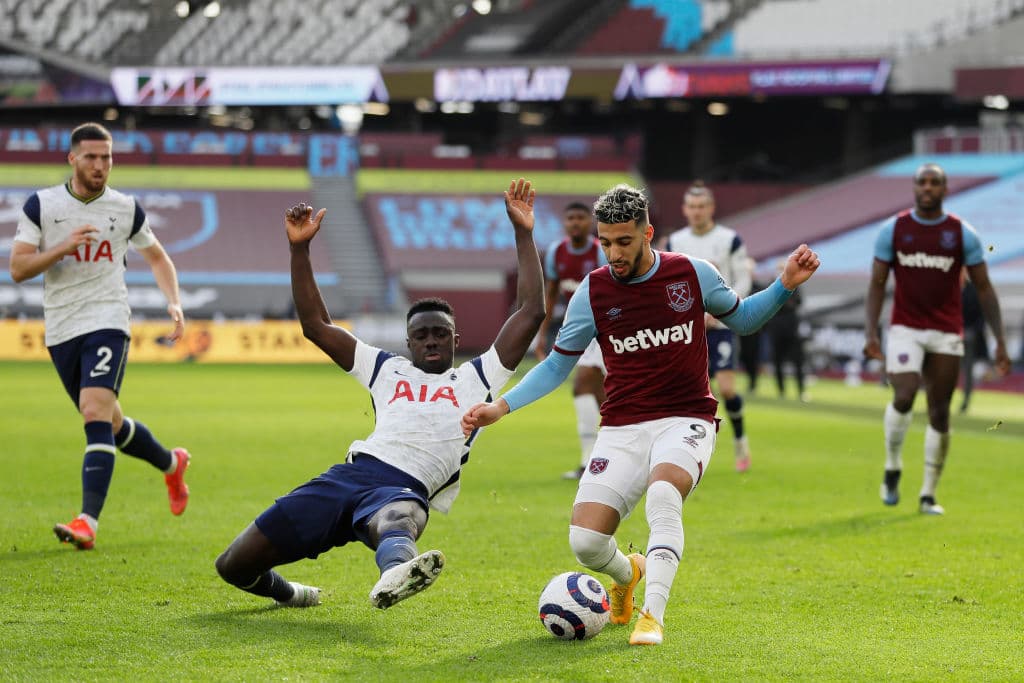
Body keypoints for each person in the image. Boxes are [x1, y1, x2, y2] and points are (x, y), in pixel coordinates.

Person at [461, 184, 821, 646]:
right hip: (622, 425)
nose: (613, 252)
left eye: (624, 242)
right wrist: (499, 407)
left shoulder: (692, 273)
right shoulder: (592, 291)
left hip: (686, 418)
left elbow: (745, 320)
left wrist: (784, 284)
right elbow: (556, 365)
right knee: (585, 543)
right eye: (605, 242)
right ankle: (629, 571)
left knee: (663, 496)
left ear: (648, 233)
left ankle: (653, 615)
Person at [214, 179, 544, 610]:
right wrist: (299, 251)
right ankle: (294, 594)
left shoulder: (478, 377)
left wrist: (523, 232)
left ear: (454, 338)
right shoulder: (386, 369)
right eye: (420, 335)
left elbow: (531, 311)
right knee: (234, 565)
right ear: (408, 343)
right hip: (349, 476)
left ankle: (395, 573)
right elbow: (316, 326)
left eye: (440, 334)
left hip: (405, 487)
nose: (430, 341)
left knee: (398, 521)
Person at [8, 122, 190, 550]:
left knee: (93, 412)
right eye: (90, 157)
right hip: (61, 327)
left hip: (108, 319)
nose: (100, 165)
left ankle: (88, 521)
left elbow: (158, 257)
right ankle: (170, 463)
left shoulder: (126, 208)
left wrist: (174, 302)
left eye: (106, 157)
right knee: (109, 421)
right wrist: (61, 248)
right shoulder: (43, 205)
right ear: (72, 159)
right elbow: (18, 269)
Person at [865, 163, 1011, 515]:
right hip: (905, 328)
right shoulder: (894, 230)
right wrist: (871, 331)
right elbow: (878, 283)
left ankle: (928, 494)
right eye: (922, 182)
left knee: (940, 411)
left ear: (945, 190)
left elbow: (985, 288)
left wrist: (1000, 342)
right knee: (904, 393)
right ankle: (892, 467)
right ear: (914, 189)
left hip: (946, 331)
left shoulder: (962, 234)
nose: (928, 187)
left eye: (935, 183)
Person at [664, 181, 754, 471]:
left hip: (721, 325)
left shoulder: (730, 239)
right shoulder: (675, 242)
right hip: (688, 328)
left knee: (727, 388)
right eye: (692, 206)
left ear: (711, 208)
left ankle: (741, 444)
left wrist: (725, 309)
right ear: (685, 209)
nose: (697, 212)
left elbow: (742, 278)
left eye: (702, 206)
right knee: (684, 390)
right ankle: (682, 450)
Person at [535, 201, 609, 480]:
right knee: (591, 391)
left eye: (580, 218)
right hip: (580, 329)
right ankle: (594, 459)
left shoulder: (599, 251)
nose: (575, 223)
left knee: (584, 386)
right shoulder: (557, 253)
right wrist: (542, 336)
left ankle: (594, 460)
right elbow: (551, 294)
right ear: (565, 223)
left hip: (604, 328)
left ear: (589, 221)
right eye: (571, 218)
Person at [766, 259, 809, 401]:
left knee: (798, 361)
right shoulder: (772, 286)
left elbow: (798, 302)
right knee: (777, 361)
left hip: (792, 329)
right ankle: (781, 391)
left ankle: (801, 391)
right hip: (777, 329)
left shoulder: (795, 284)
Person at [958, 270, 988, 413]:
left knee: (967, 369)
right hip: (951, 335)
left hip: (968, 336)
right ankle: (942, 399)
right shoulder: (950, 289)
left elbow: (981, 315)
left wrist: (972, 332)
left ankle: (966, 400)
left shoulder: (973, 290)